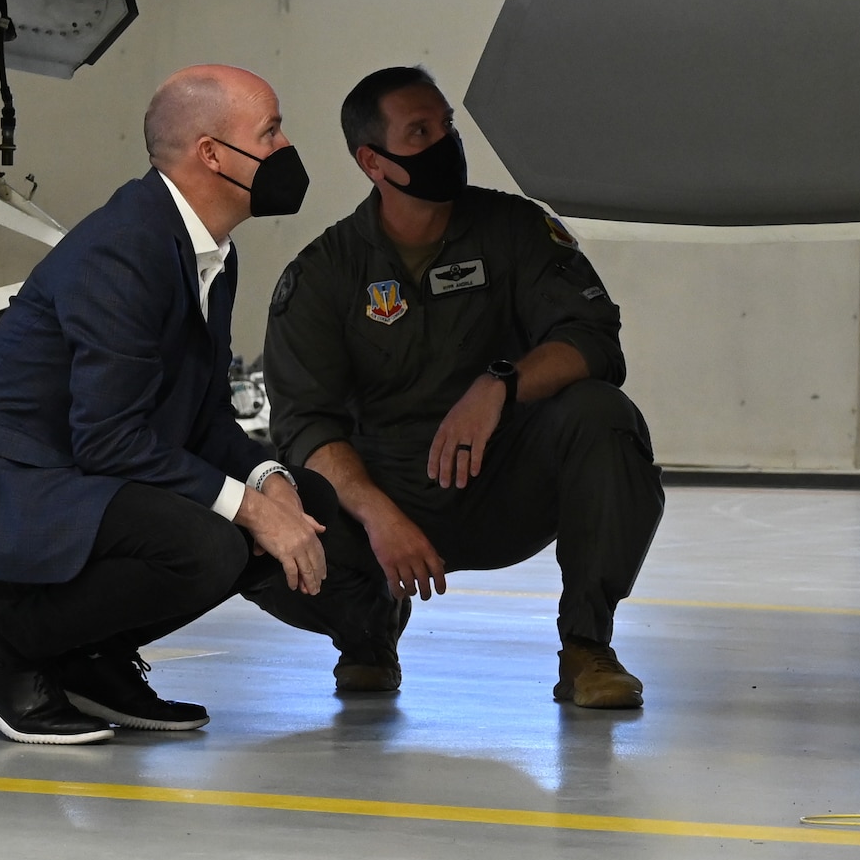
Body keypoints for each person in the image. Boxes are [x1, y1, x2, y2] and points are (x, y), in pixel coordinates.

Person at [0, 64, 358, 745]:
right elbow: (107, 438)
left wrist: (271, 482)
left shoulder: (207, 252)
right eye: (271, 130)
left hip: (72, 473)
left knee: (299, 500)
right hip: (2, 487)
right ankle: (4, 657)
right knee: (203, 541)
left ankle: (90, 656)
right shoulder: (126, 247)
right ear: (212, 155)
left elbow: (202, 419)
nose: (286, 147)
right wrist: (252, 510)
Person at [256, 65, 664, 709]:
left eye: (446, 124)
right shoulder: (324, 273)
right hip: (385, 497)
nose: (446, 141)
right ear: (374, 161)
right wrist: (378, 514)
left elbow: (591, 337)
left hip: (500, 484)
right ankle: (366, 633)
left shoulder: (515, 230)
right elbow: (307, 424)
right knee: (261, 509)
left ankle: (587, 648)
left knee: (603, 414)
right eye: (419, 131)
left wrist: (499, 385)